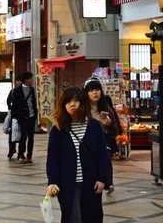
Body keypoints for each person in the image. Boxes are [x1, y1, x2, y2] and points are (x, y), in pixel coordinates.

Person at [46, 86, 110, 223]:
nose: (72, 104)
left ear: (82, 102)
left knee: (92, 217)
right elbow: (52, 158)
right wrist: (52, 181)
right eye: (68, 102)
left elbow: (102, 155)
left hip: (91, 183)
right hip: (67, 184)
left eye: (75, 101)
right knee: (72, 218)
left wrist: (103, 179)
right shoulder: (58, 129)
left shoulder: (94, 126)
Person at [83, 77, 119, 195]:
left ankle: (107, 182)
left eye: (97, 90)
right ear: (86, 93)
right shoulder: (82, 109)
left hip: (103, 142)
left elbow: (115, 131)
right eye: (91, 90)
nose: (95, 92)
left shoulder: (106, 108)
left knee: (105, 162)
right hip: (85, 143)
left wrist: (108, 123)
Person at [11, 71, 38, 163]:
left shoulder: (32, 89)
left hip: (32, 116)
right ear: (26, 80)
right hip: (22, 117)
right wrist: (16, 117)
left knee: (31, 137)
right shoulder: (17, 90)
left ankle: (29, 155)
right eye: (30, 79)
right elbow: (15, 104)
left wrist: (35, 112)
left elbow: (33, 102)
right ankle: (20, 154)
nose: (31, 80)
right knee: (23, 137)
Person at [7, 75, 23, 159]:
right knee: (12, 133)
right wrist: (10, 108)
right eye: (16, 81)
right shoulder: (12, 91)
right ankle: (11, 150)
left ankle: (21, 152)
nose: (17, 82)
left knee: (22, 135)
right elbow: (8, 100)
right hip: (13, 116)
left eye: (19, 81)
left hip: (23, 117)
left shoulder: (25, 91)